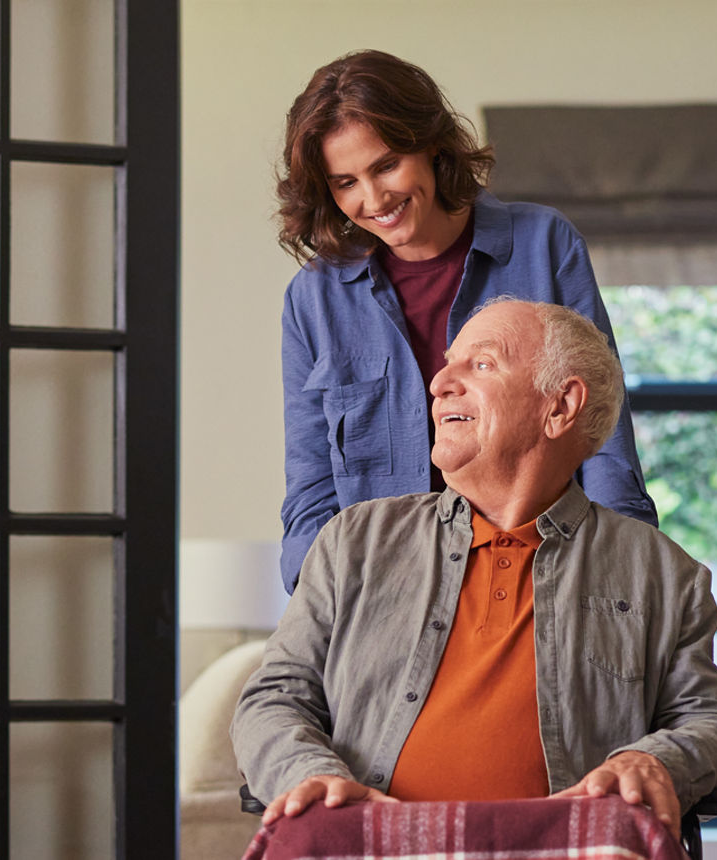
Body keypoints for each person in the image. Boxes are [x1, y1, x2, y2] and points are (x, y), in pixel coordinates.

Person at [233, 299, 717, 837]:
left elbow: (715, 725)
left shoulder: (665, 573)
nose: (438, 384)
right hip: (370, 844)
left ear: (560, 406)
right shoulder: (353, 540)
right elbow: (274, 696)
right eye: (447, 362)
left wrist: (658, 762)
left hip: (566, 848)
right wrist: (308, 773)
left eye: (480, 364)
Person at [277, 49, 657, 594]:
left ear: (431, 144)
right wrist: (323, 603)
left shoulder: (543, 244)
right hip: (382, 594)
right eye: (345, 183)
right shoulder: (312, 298)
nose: (373, 198)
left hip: (543, 584)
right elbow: (311, 484)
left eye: (386, 165)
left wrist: (621, 583)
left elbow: (600, 437)